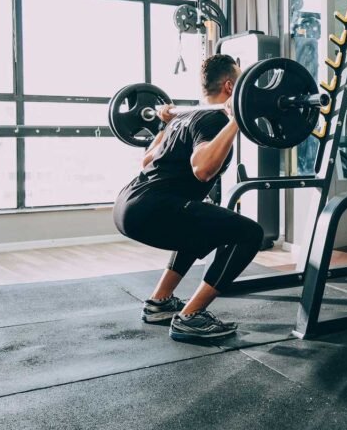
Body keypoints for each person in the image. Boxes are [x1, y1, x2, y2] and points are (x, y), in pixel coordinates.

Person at [113, 54, 263, 341]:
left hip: (128, 204)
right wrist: (236, 121)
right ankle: (191, 316)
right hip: (152, 207)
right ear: (231, 87)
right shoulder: (215, 119)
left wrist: (163, 126)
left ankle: (159, 303)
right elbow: (202, 170)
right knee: (250, 234)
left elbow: (147, 161)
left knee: (200, 222)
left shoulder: (184, 116)